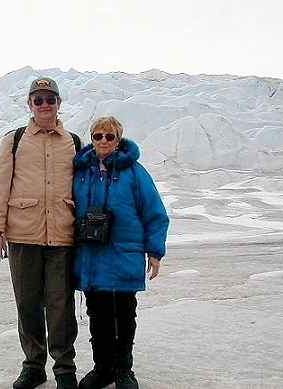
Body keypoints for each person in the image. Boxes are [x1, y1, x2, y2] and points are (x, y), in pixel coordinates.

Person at [0, 77, 79, 389]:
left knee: (61, 305)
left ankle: (64, 368)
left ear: (59, 104)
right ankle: (34, 365)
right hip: (23, 236)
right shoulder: (15, 140)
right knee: (27, 303)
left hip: (62, 237)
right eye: (38, 100)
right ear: (30, 104)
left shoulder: (73, 142)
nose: (44, 105)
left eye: (50, 99)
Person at [72, 116, 170, 389]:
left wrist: (155, 251)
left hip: (124, 253)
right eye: (98, 136)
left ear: (118, 139)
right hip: (92, 255)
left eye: (109, 136)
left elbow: (155, 213)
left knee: (124, 313)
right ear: (91, 139)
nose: (103, 141)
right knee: (98, 314)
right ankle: (102, 369)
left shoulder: (135, 173)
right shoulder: (81, 173)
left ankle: (124, 370)